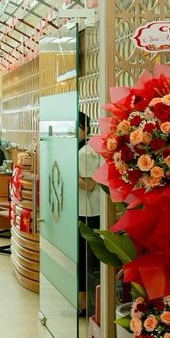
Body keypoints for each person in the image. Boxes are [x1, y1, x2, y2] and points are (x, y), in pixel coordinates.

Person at [76, 111, 101, 316]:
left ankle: (86, 302)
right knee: (81, 256)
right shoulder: (78, 149)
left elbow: (90, 185)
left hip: (89, 212)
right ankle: (83, 299)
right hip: (79, 210)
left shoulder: (85, 152)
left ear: (84, 129)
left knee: (86, 258)